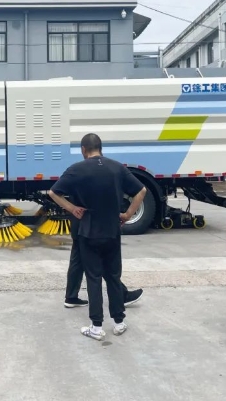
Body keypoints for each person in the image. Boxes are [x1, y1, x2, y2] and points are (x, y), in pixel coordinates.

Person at [49, 133, 147, 341]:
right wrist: (128, 214)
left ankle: (96, 326)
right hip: (112, 229)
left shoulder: (76, 169)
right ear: (101, 148)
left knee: (93, 278)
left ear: (83, 149)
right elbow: (142, 190)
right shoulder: (117, 167)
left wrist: (72, 208)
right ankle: (119, 322)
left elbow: (53, 192)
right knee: (113, 276)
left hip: (88, 231)